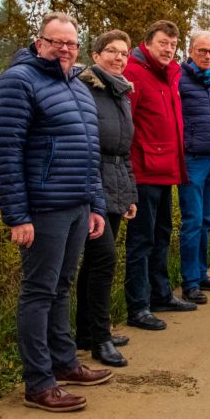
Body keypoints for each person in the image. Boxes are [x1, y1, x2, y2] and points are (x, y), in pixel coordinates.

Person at [0, 12, 113, 412]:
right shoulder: (18, 81)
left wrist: (95, 205)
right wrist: (17, 215)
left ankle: (64, 362)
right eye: (56, 41)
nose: (64, 49)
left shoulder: (77, 86)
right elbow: (5, 153)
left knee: (63, 286)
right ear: (39, 42)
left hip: (77, 205)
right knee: (39, 291)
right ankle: (39, 382)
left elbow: (89, 152)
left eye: (71, 43)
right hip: (43, 207)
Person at [124, 20, 196, 331]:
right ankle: (138, 306)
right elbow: (125, 126)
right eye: (163, 43)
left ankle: (161, 293)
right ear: (148, 43)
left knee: (162, 235)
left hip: (167, 169)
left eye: (172, 44)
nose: (168, 49)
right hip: (143, 171)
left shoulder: (169, 75)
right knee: (141, 241)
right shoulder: (133, 73)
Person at [74, 29, 139, 367]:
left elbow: (123, 150)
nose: (118, 58)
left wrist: (129, 193)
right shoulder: (85, 89)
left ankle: (86, 331)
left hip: (115, 187)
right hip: (90, 186)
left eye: (124, 53)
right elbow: (87, 149)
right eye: (111, 51)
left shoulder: (120, 93)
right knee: (103, 260)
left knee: (95, 264)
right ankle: (99, 339)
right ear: (96, 55)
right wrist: (92, 194)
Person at [178, 30, 210, 304]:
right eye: (202, 51)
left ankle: (201, 273)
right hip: (191, 161)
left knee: (206, 221)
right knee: (192, 222)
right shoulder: (180, 79)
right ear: (191, 51)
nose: (208, 56)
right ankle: (189, 282)